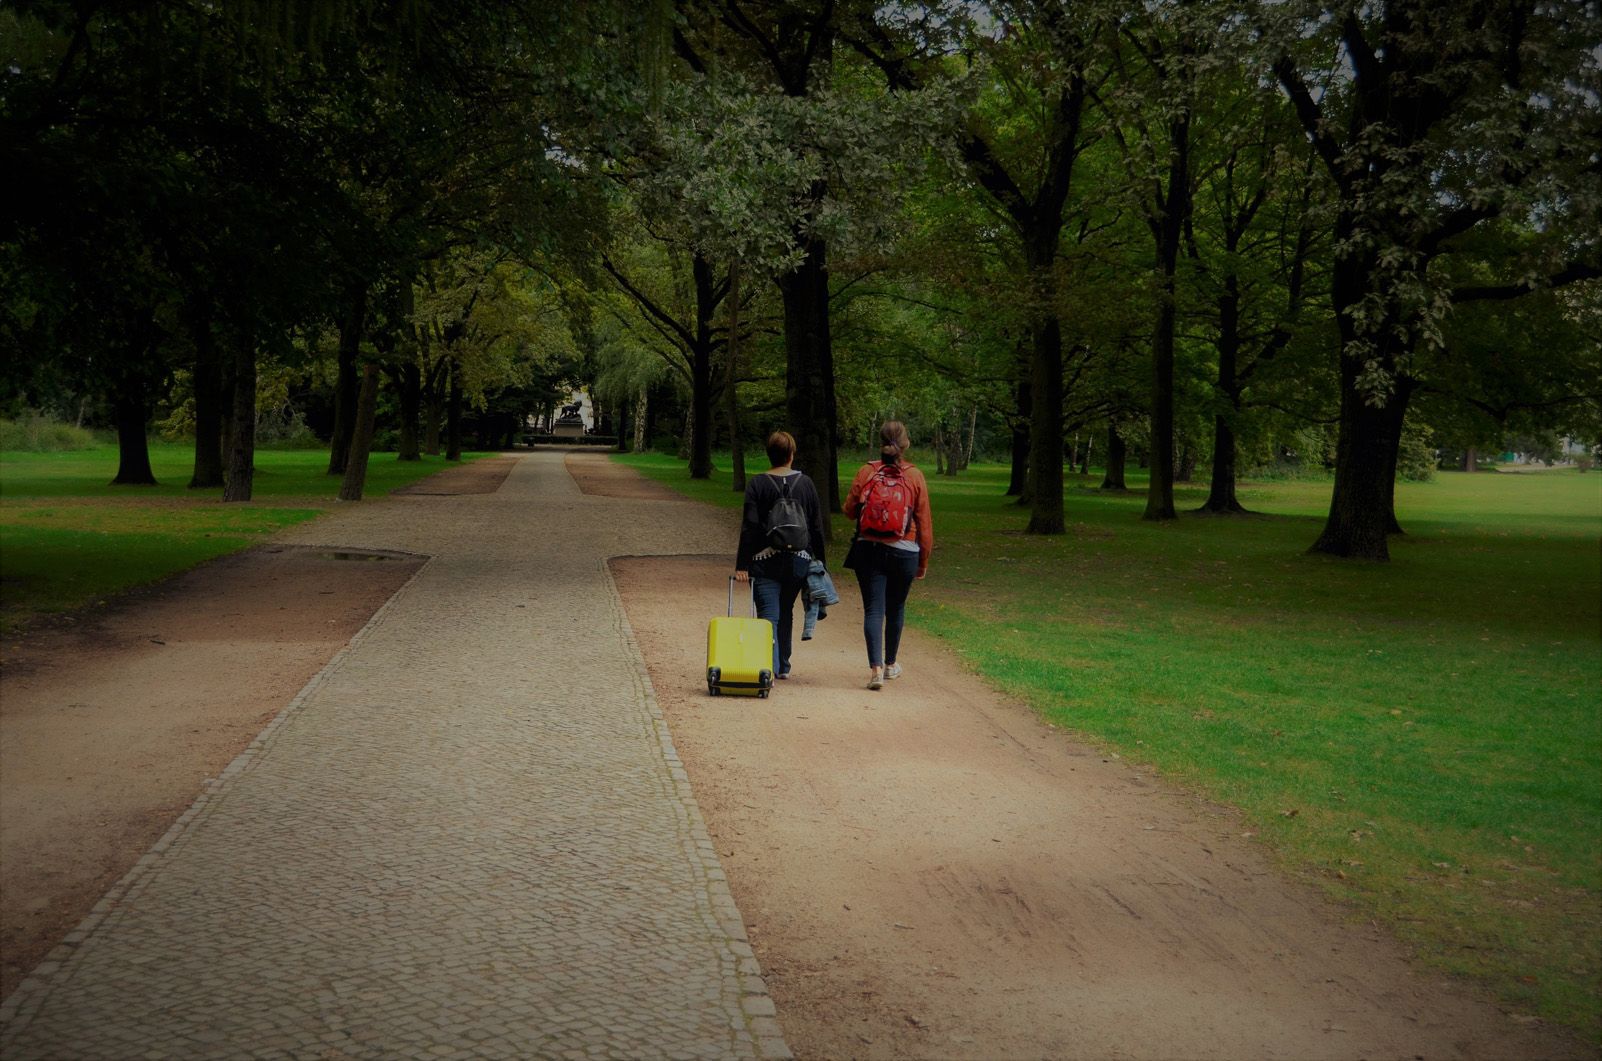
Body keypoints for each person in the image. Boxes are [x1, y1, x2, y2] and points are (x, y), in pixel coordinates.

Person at [842, 420, 933, 690]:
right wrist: (923, 561)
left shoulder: (867, 471)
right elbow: (924, 524)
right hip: (905, 551)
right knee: (896, 608)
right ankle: (892, 663)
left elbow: (849, 510)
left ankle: (876, 670)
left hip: (868, 548)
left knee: (873, 609)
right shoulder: (915, 476)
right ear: (905, 444)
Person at [735, 431, 828, 681]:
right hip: (798, 561)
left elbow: (750, 526)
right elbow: (816, 526)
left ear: (769, 454)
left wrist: (742, 564)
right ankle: (783, 664)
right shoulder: (806, 484)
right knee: (786, 610)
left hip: (764, 561)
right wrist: (820, 561)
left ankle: (770, 665)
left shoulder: (757, 484)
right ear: (791, 455)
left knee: (768, 613)